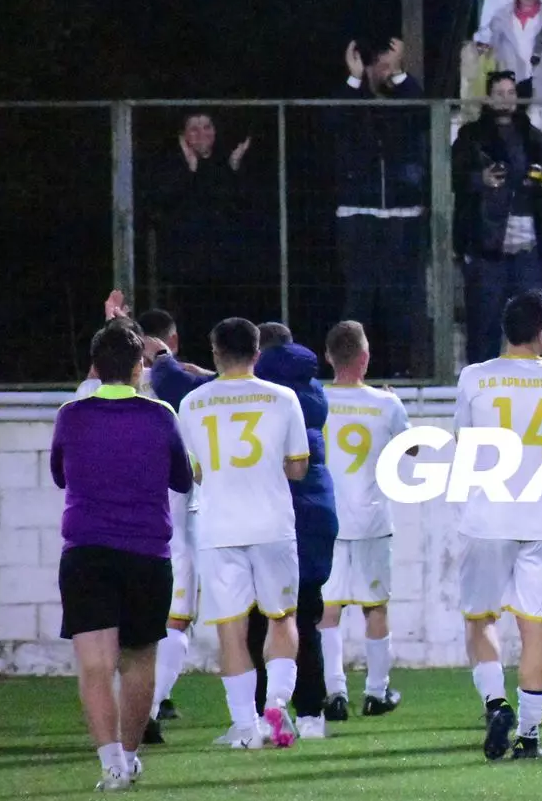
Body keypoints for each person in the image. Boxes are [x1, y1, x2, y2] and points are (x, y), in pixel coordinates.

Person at [51, 324, 194, 790]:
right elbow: (182, 478)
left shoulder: (71, 415)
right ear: (139, 369)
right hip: (146, 553)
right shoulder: (160, 415)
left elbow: (59, 475)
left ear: (94, 367)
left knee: (95, 664)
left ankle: (111, 764)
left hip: (86, 551)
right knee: (139, 660)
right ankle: (130, 758)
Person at [455, 291, 542, 760]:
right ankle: (529, 736)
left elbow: (463, 441)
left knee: (480, 619)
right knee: (536, 628)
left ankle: (496, 703)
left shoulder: (474, 377)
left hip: (488, 515)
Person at [176, 319, 310, 749]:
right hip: (272, 524)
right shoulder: (283, 398)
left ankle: (246, 728)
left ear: (215, 353)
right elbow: (298, 466)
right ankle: (276, 704)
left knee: (230, 629)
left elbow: (194, 472)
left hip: (219, 527)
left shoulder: (192, 403)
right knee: (282, 617)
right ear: (257, 353)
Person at [77, 300, 199, 743]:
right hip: (162, 529)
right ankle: (145, 715)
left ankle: (116, 737)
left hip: (95, 536)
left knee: (104, 643)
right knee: (165, 630)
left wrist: (114, 328)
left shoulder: (82, 401)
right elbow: (184, 474)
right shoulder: (173, 391)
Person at [242, 324, 341, 740]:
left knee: (258, 619)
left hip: (272, 515)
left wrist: (164, 363)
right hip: (317, 513)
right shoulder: (313, 391)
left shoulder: (258, 393)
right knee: (305, 615)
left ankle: (260, 714)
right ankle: (312, 715)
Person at [319, 321, 411, 724]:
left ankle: (334, 692)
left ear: (328, 356)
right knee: (375, 606)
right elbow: (411, 450)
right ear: (365, 357)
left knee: (328, 608)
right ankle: (375, 692)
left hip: (329, 520)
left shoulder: (315, 399)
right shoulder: (386, 404)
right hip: (372, 518)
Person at [328, 37, 429, 378]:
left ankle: (402, 370)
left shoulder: (404, 101)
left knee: (400, 299)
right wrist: (354, 78)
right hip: (358, 214)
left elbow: (421, 113)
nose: (384, 72)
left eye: (390, 66)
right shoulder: (354, 103)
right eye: (379, 66)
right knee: (359, 298)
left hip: (402, 214)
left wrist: (399, 73)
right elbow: (335, 120)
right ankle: (348, 371)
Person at [145, 111, 271, 365]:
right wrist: (189, 170)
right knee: (189, 322)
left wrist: (234, 168)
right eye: (194, 128)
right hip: (186, 269)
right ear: (183, 135)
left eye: (207, 127)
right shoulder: (169, 166)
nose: (202, 134)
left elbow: (244, 207)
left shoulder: (225, 164)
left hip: (225, 267)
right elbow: (161, 204)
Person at [452, 70, 542, 362]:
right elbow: (455, 176)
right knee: (483, 325)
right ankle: (480, 380)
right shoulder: (471, 135)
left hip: (529, 244)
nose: (506, 99)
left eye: (511, 93)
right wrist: (481, 179)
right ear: (488, 98)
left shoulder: (532, 135)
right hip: (486, 245)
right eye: (499, 93)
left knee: (537, 323)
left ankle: (541, 380)